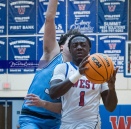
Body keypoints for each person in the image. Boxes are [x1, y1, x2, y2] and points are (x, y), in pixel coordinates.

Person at [18, 0, 81, 128]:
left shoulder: (78, 72)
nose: (76, 44)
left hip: (55, 122)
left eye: (79, 42)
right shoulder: (52, 54)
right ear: (62, 46)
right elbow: (49, 18)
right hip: (31, 117)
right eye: (72, 40)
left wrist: (43, 104)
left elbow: (64, 107)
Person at [49, 34, 118, 129]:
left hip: (90, 123)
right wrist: (78, 74)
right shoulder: (63, 68)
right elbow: (53, 93)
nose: (79, 48)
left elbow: (111, 108)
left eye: (83, 45)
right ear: (70, 50)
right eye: (75, 45)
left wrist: (112, 87)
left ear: (89, 49)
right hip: (66, 123)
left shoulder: (101, 71)